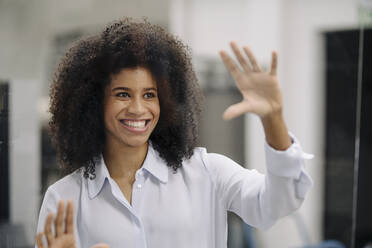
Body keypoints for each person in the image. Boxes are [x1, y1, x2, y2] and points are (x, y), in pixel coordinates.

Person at [36, 18, 313, 248]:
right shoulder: (64, 200)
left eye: (149, 95)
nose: (138, 108)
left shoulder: (208, 172)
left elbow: (277, 203)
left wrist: (273, 119)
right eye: (122, 94)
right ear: (94, 102)